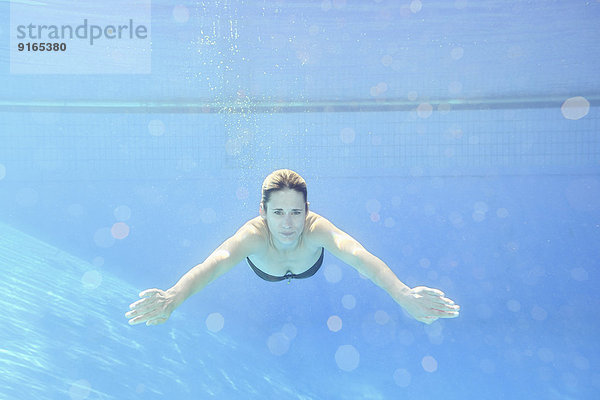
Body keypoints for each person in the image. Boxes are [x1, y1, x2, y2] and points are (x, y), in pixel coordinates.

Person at [126, 169, 460, 326]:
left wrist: (403, 295)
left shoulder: (317, 230)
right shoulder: (252, 237)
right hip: (268, 270)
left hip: (302, 265)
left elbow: (361, 259)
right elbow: (212, 265)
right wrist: (174, 296)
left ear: (308, 210)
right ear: (263, 212)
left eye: (296, 213)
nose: (288, 224)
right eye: (279, 213)